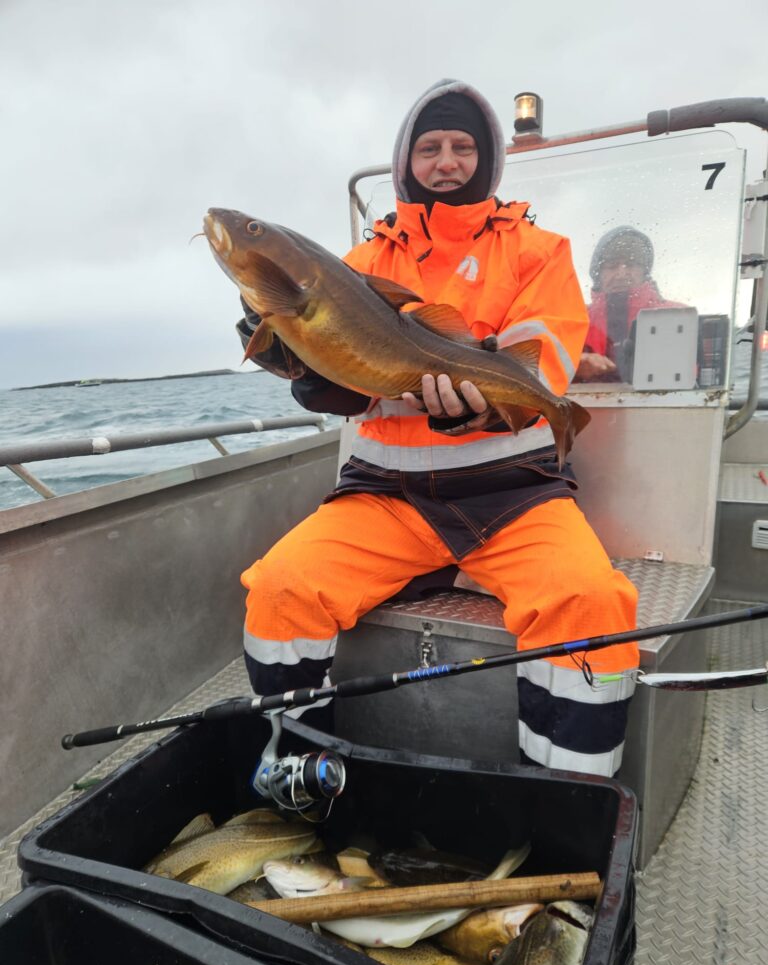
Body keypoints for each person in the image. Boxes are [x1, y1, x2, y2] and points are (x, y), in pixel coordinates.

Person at [236, 80, 639, 777]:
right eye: (429, 148)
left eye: (462, 147)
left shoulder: (538, 251)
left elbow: (543, 356)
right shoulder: (360, 264)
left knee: (591, 602)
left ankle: (570, 799)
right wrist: (296, 362)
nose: (446, 161)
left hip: (514, 494)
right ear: (406, 163)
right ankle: (301, 780)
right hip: (385, 496)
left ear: (486, 160)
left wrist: (485, 405)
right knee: (281, 587)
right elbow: (344, 384)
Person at [576, 226, 681, 383]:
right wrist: (575, 365)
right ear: (598, 274)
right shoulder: (576, 321)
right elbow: (547, 369)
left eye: (631, 264)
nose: (621, 274)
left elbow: (697, 376)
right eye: (611, 266)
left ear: (644, 271)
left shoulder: (679, 316)